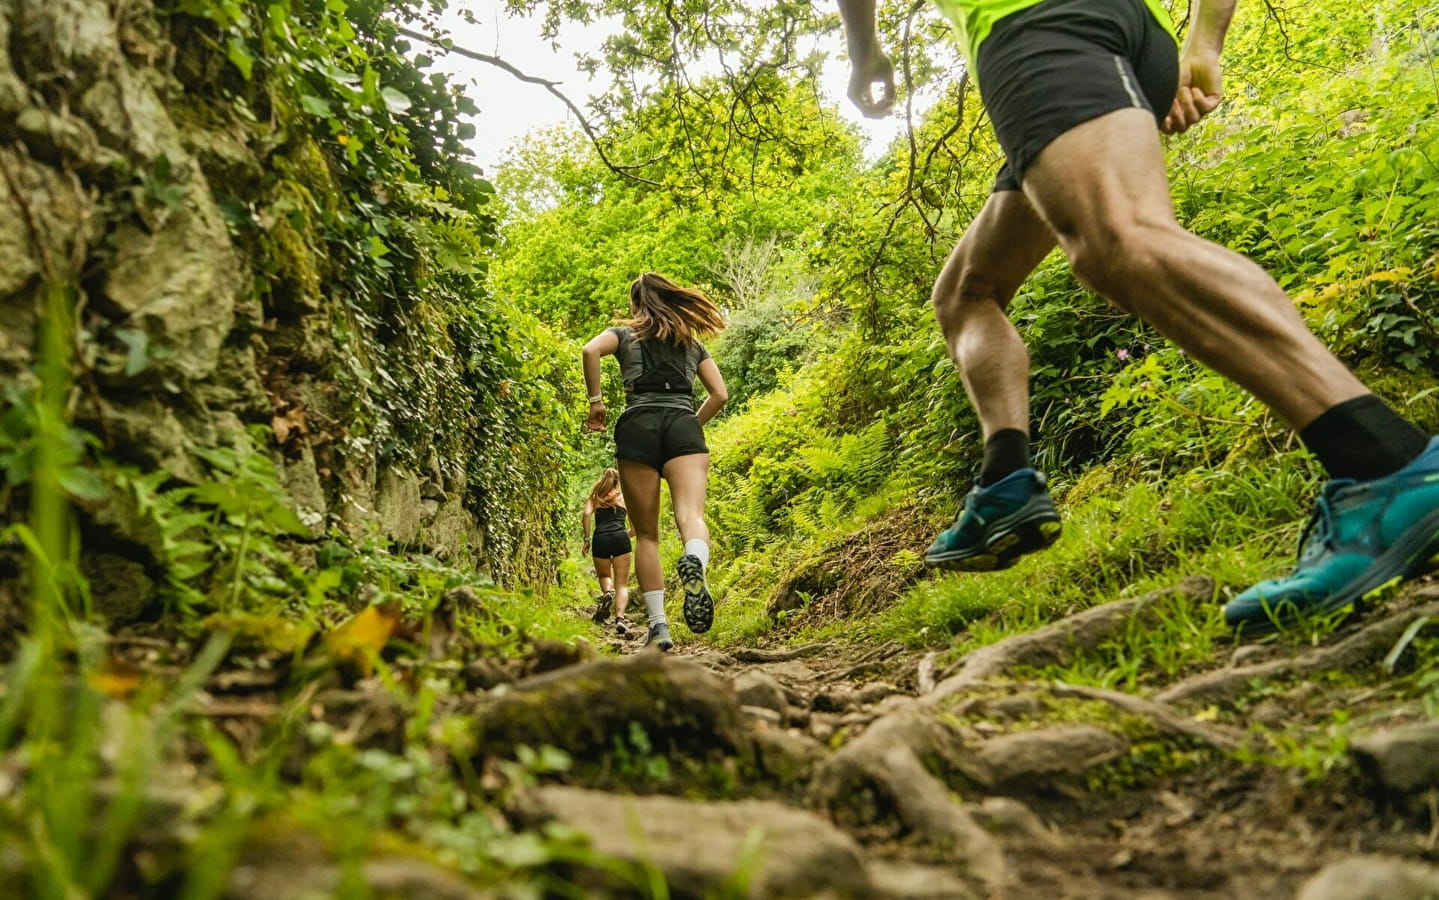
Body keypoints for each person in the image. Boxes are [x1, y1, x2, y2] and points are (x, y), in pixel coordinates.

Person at [836, 0, 1439, 633]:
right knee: (967, 293)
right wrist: (1203, 43)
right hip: (1128, 34)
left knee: (1121, 240)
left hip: (1036, 30)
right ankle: (1004, 480)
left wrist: (865, 53)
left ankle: (1385, 463)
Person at [582, 273, 730, 650]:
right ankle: (695, 559)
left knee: (646, 535)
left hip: (637, 426)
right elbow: (720, 395)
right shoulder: (691, 343)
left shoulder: (622, 335)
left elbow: (589, 351)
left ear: (636, 304)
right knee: (691, 517)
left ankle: (659, 627)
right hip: (683, 424)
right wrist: (688, 426)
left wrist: (596, 401)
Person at [582, 468, 635, 635]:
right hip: (620, 537)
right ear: (618, 483)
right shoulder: (625, 498)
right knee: (622, 584)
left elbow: (586, 515)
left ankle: (607, 592)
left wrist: (586, 539)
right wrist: (624, 534)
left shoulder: (594, 498)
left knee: (605, 576)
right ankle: (620, 618)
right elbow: (634, 530)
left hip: (601, 539)